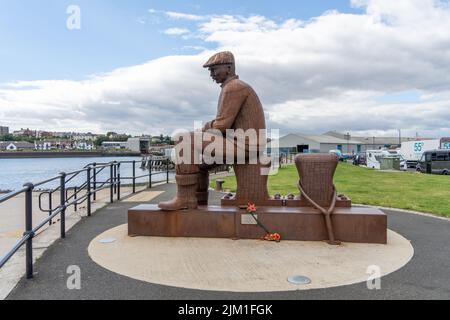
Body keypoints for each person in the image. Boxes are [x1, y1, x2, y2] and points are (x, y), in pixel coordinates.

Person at [158, 51, 266, 211]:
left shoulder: (234, 87)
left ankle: (185, 198)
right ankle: (198, 200)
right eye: (210, 71)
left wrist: (201, 131)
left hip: (245, 145)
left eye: (214, 69)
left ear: (229, 68)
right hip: (239, 141)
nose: (211, 74)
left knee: (184, 139)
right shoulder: (233, 87)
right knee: (200, 164)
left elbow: (221, 125)